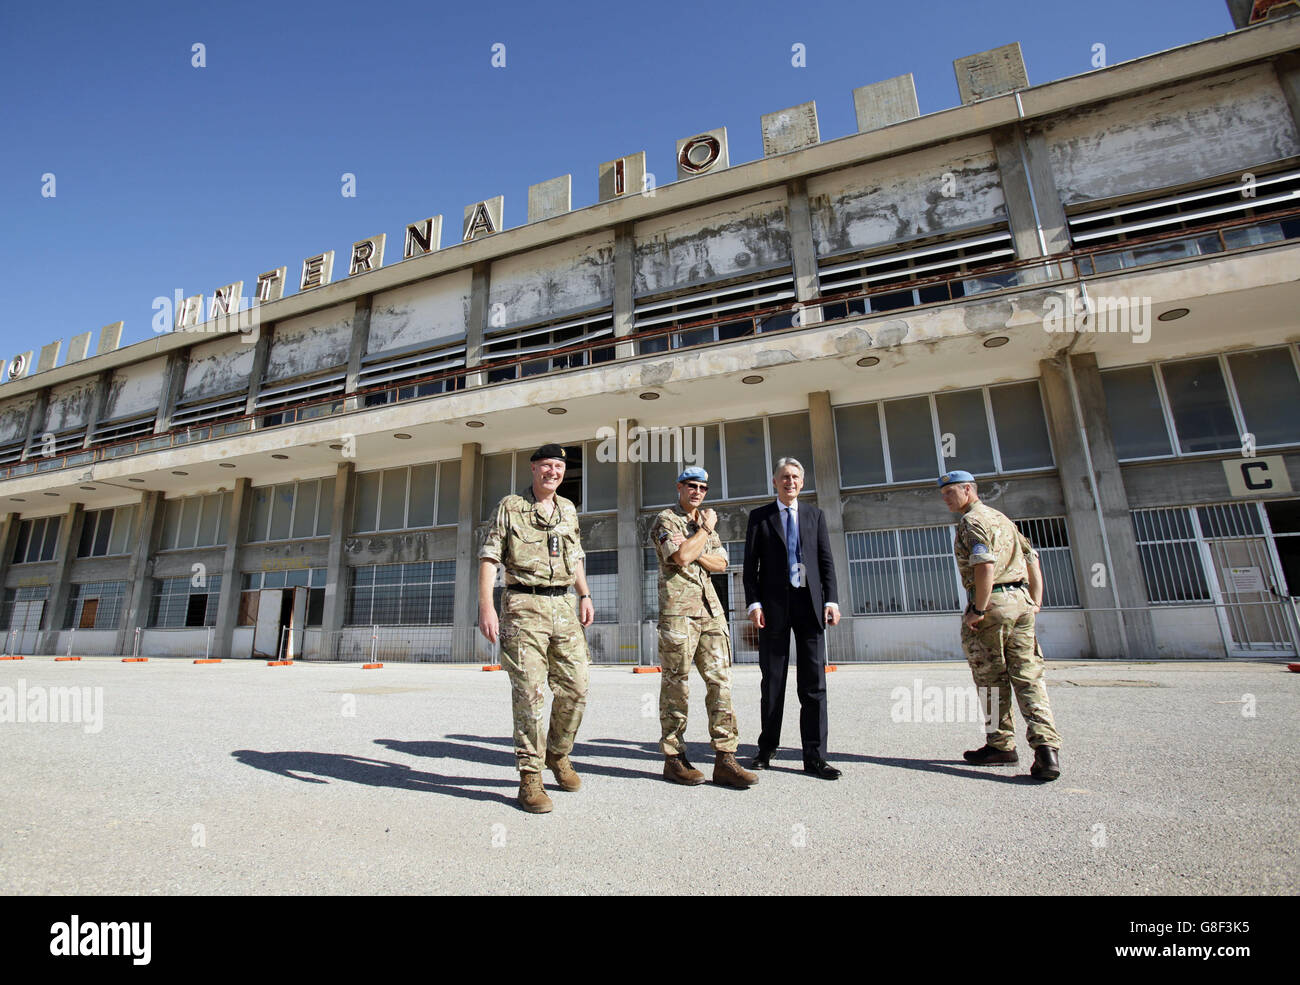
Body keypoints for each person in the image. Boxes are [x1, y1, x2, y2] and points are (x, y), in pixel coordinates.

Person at [478, 444, 595, 813]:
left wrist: (585, 594)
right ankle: (530, 776)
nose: (553, 472)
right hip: (522, 605)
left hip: (563, 605)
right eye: (546, 465)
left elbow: (574, 556)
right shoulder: (510, 506)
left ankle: (558, 755)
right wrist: (486, 607)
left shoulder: (568, 509)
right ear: (533, 468)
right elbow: (490, 557)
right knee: (529, 692)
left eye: (559, 466)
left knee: (577, 687)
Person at [938, 469, 1061, 781]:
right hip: (1019, 604)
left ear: (968, 489)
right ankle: (1046, 749)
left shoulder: (971, 521)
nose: (946, 498)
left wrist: (978, 608)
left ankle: (1001, 745)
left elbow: (984, 565)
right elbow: (1031, 557)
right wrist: (1034, 599)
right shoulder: (1003, 519)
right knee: (1028, 676)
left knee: (991, 678)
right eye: (943, 494)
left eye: (950, 492)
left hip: (992, 606)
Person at [648, 466, 757, 789]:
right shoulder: (666, 520)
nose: (697, 492)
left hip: (710, 611)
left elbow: (722, 563)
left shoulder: (700, 526)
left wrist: (698, 543)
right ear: (679, 487)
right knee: (676, 686)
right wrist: (704, 534)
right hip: (679, 614)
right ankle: (675, 758)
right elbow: (680, 556)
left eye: (703, 488)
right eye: (691, 486)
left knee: (720, 682)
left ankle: (725, 758)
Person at [742, 457, 842, 779]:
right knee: (773, 681)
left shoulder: (815, 515)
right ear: (775, 482)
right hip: (773, 610)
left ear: (802, 482)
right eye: (785, 477)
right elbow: (749, 569)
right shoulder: (760, 518)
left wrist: (832, 600)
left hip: (810, 606)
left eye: (795, 477)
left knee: (814, 684)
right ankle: (767, 748)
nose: (790, 482)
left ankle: (815, 757)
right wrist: (754, 604)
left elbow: (826, 561)